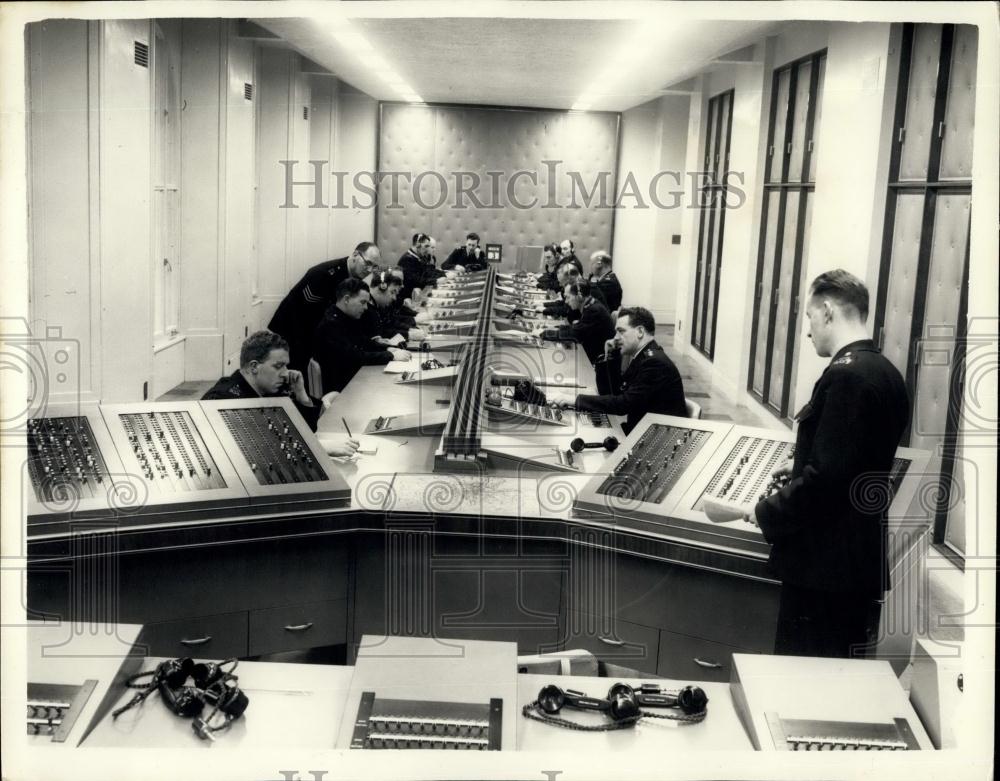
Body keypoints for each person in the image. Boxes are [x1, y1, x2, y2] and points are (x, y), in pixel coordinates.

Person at [707, 270, 910, 660]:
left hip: (825, 569)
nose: (809, 331)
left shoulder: (846, 377)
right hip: (854, 560)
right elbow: (854, 460)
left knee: (803, 677)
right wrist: (800, 464)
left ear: (829, 311)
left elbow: (827, 481)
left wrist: (764, 510)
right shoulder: (885, 372)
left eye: (810, 318)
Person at [202, 331, 358, 457]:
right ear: (254, 366)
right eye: (278, 366)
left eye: (286, 366)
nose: (285, 373)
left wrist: (301, 394)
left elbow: (307, 429)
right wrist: (318, 448)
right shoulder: (223, 398)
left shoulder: (271, 389)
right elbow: (250, 446)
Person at [556, 307, 686, 435]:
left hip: (654, 438)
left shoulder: (654, 363)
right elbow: (612, 393)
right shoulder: (643, 356)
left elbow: (622, 405)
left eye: (621, 331)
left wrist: (575, 400)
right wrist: (609, 356)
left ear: (640, 331)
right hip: (641, 430)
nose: (616, 338)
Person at [267, 242, 381, 371]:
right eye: (368, 263)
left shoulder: (353, 276)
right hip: (291, 330)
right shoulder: (324, 274)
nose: (370, 270)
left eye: (374, 267)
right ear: (355, 255)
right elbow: (306, 316)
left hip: (307, 330)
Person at [312, 278, 412, 394]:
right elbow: (354, 357)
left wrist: (387, 348)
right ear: (347, 299)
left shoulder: (345, 318)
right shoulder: (330, 325)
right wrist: (390, 356)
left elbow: (362, 341)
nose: (365, 308)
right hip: (342, 389)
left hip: (352, 379)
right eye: (363, 302)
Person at [542, 280, 615, 365]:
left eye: (568, 297)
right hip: (591, 353)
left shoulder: (594, 311)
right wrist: (557, 328)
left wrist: (544, 334)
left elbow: (575, 334)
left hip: (597, 363)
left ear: (579, 297)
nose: (566, 301)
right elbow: (578, 327)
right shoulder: (591, 305)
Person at [362, 268, 417, 342]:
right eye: (392, 292)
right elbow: (382, 332)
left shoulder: (377, 305)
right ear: (382, 287)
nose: (394, 298)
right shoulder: (366, 308)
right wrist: (408, 334)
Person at [397, 233, 442, 299]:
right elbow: (416, 281)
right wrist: (436, 281)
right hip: (407, 299)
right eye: (426, 246)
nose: (427, 250)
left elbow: (428, 272)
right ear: (418, 244)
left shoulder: (419, 256)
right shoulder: (407, 259)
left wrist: (443, 275)